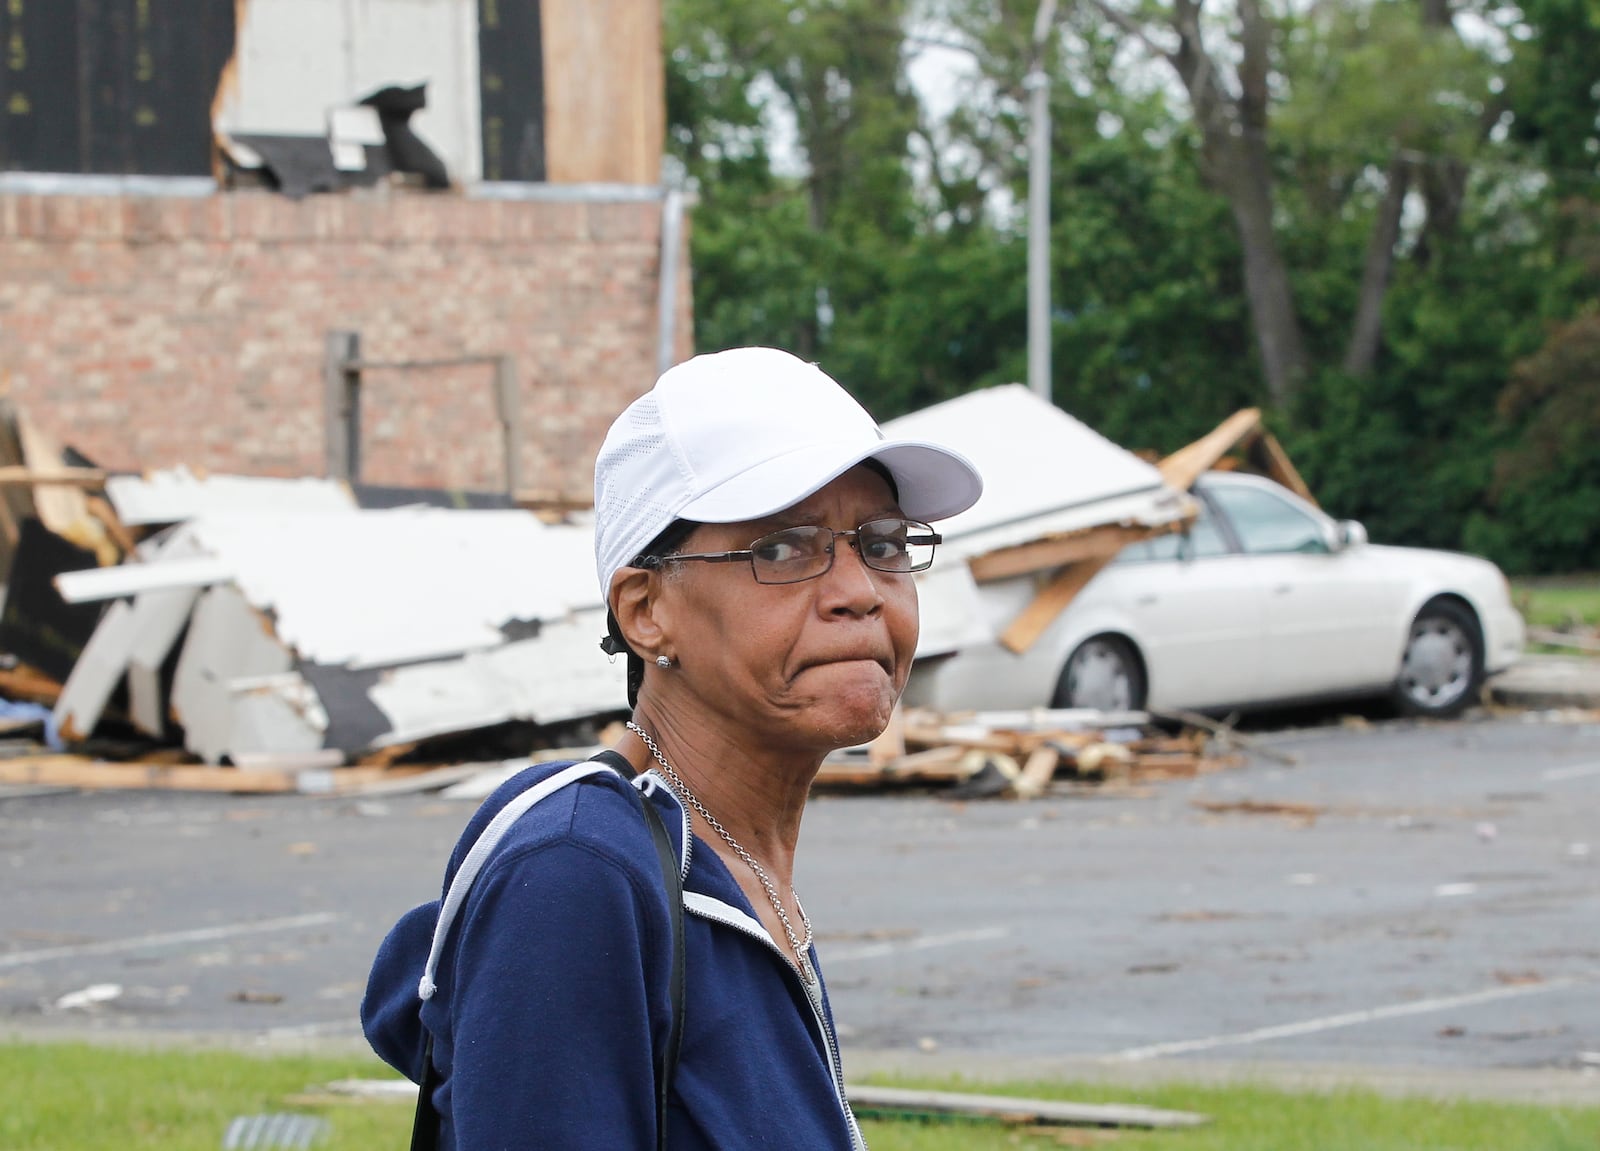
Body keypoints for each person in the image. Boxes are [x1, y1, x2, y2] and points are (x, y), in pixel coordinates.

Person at [362, 346, 982, 1149]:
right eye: (785, 547)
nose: (859, 589)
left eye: (884, 542)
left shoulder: (731, 866)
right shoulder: (576, 874)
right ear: (646, 609)